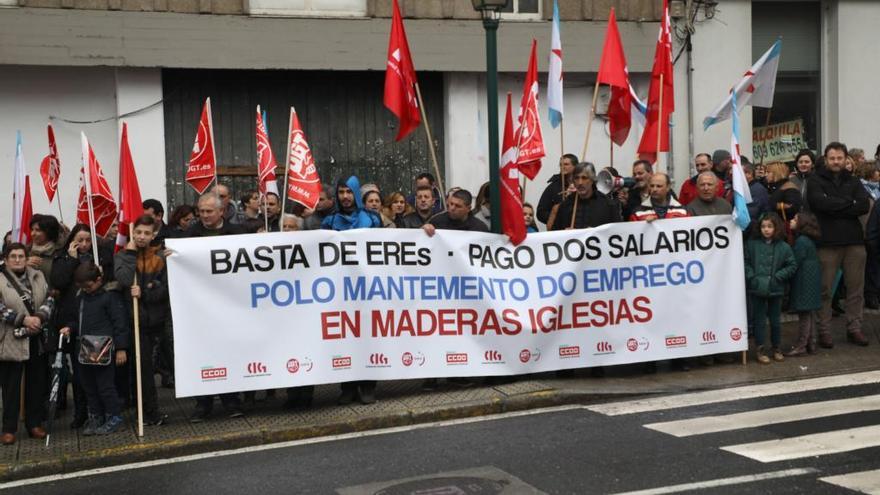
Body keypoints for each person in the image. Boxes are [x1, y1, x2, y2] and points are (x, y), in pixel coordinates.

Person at [317, 176, 381, 407]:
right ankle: (347, 386)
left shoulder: (372, 219)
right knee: (344, 337)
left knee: (367, 335)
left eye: (349, 192)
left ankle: (367, 385)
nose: (345, 196)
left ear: (355, 193)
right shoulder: (330, 221)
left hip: (366, 289)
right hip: (340, 289)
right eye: (341, 192)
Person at [186, 193, 246, 422]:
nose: (204, 215)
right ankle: (203, 404)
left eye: (209, 211)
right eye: (201, 211)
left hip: (230, 306)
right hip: (200, 307)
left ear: (222, 211)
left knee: (227, 353)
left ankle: (232, 402)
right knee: (202, 354)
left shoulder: (238, 234)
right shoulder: (188, 235)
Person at [50, 223, 116, 425]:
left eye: (88, 240)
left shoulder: (101, 254)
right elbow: (58, 281)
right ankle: (81, 413)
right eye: (80, 240)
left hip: (98, 320)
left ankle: (105, 413)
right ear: (72, 240)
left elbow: (112, 281)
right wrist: (71, 260)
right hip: (73, 318)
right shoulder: (62, 256)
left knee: (100, 375)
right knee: (79, 374)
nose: (85, 244)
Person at [807, 142, 871, 348]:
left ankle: (854, 328)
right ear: (826, 159)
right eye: (832, 158)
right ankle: (824, 331)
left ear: (846, 159)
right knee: (824, 290)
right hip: (827, 242)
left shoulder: (854, 181)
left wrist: (833, 204)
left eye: (839, 158)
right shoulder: (815, 180)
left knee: (855, 289)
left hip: (854, 243)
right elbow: (818, 203)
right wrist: (847, 203)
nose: (836, 162)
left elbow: (862, 205)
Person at [59, 262, 128, 435]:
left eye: (88, 286)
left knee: (105, 386)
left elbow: (120, 324)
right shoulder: (81, 297)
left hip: (104, 348)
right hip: (84, 347)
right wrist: (70, 327)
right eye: (81, 286)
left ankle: (114, 416)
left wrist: (121, 348)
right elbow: (77, 319)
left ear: (99, 280)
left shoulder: (110, 297)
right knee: (88, 385)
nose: (85, 289)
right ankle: (96, 415)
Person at [114, 215, 170, 426]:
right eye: (138, 232)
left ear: (153, 234)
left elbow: (165, 289)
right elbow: (125, 279)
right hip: (131, 322)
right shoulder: (123, 256)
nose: (141, 237)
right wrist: (129, 254)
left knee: (147, 368)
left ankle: (149, 411)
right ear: (132, 232)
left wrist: (145, 293)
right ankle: (146, 412)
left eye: (147, 233)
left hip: (154, 322)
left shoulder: (160, 258)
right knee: (140, 369)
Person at [0, 243, 55, 444]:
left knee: (37, 383)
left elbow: (49, 299)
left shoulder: (38, 275)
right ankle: (8, 429)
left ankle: (34, 424)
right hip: (11, 338)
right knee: (11, 387)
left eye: (21, 255)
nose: (17, 259)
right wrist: (23, 319)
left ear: (26, 257)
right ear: (5, 259)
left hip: (36, 336)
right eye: (13, 256)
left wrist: (39, 317)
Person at [745, 213, 797, 364]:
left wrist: (778, 277)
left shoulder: (783, 247)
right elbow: (746, 262)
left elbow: (792, 265)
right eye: (763, 226)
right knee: (759, 320)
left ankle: (776, 347)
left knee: (775, 320)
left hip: (776, 287)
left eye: (770, 226)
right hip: (758, 287)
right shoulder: (752, 244)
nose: (766, 230)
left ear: (776, 228)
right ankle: (760, 348)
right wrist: (752, 277)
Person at [785, 212, 823, 357]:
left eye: (795, 219)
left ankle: (802, 344)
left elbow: (795, 262)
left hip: (803, 281)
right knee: (809, 313)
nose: (791, 221)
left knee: (804, 314)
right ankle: (811, 343)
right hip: (810, 280)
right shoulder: (808, 240)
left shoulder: (801, 242)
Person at [551, 163, 621, 230]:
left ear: (592, 180)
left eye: (584, 178)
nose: (580, 182)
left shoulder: (608, 204)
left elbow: (617, 232)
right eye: (576, 178)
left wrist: (595, 232)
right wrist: (564, 233)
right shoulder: (566, 205)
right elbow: (554, 233)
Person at [422, 189, 489, 235]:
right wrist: (424, 229)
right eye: (451, 204)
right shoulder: (437, 221)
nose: (452, 208)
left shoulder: (480, 228)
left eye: (458, 206)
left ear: (468, 208)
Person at [536, 154, 578, 227]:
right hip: (559, 230)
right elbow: (541, 212)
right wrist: (557, 219)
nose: (562, 167)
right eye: (560, 164)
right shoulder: (553, 187)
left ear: (575, 166)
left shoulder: (583, 185)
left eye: (566, 164)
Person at [27, 214, 66, 281]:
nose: (33, 233)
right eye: (32, 229)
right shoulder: (26, 251)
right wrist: (22, 264)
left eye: (38, 230)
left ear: (48, 232)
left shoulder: (62, 250)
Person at [765, 162, 802, 226]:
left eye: (768, 172)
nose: (766, 175)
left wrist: (774, 205)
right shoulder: (774, 187)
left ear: (776, 173)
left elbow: (792, 208)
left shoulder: (789, 188)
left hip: (784, 226)